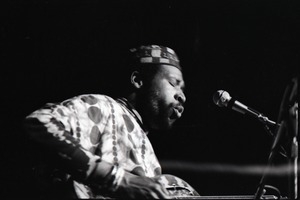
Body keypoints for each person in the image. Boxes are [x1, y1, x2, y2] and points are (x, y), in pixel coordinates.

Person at [23, 45, 199, 199]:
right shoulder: (103, 107)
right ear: (138, 80)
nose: (181, 96)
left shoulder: (150, 158)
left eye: (182, 89)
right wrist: (120, 181)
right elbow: (39, 123)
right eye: (173, 83)